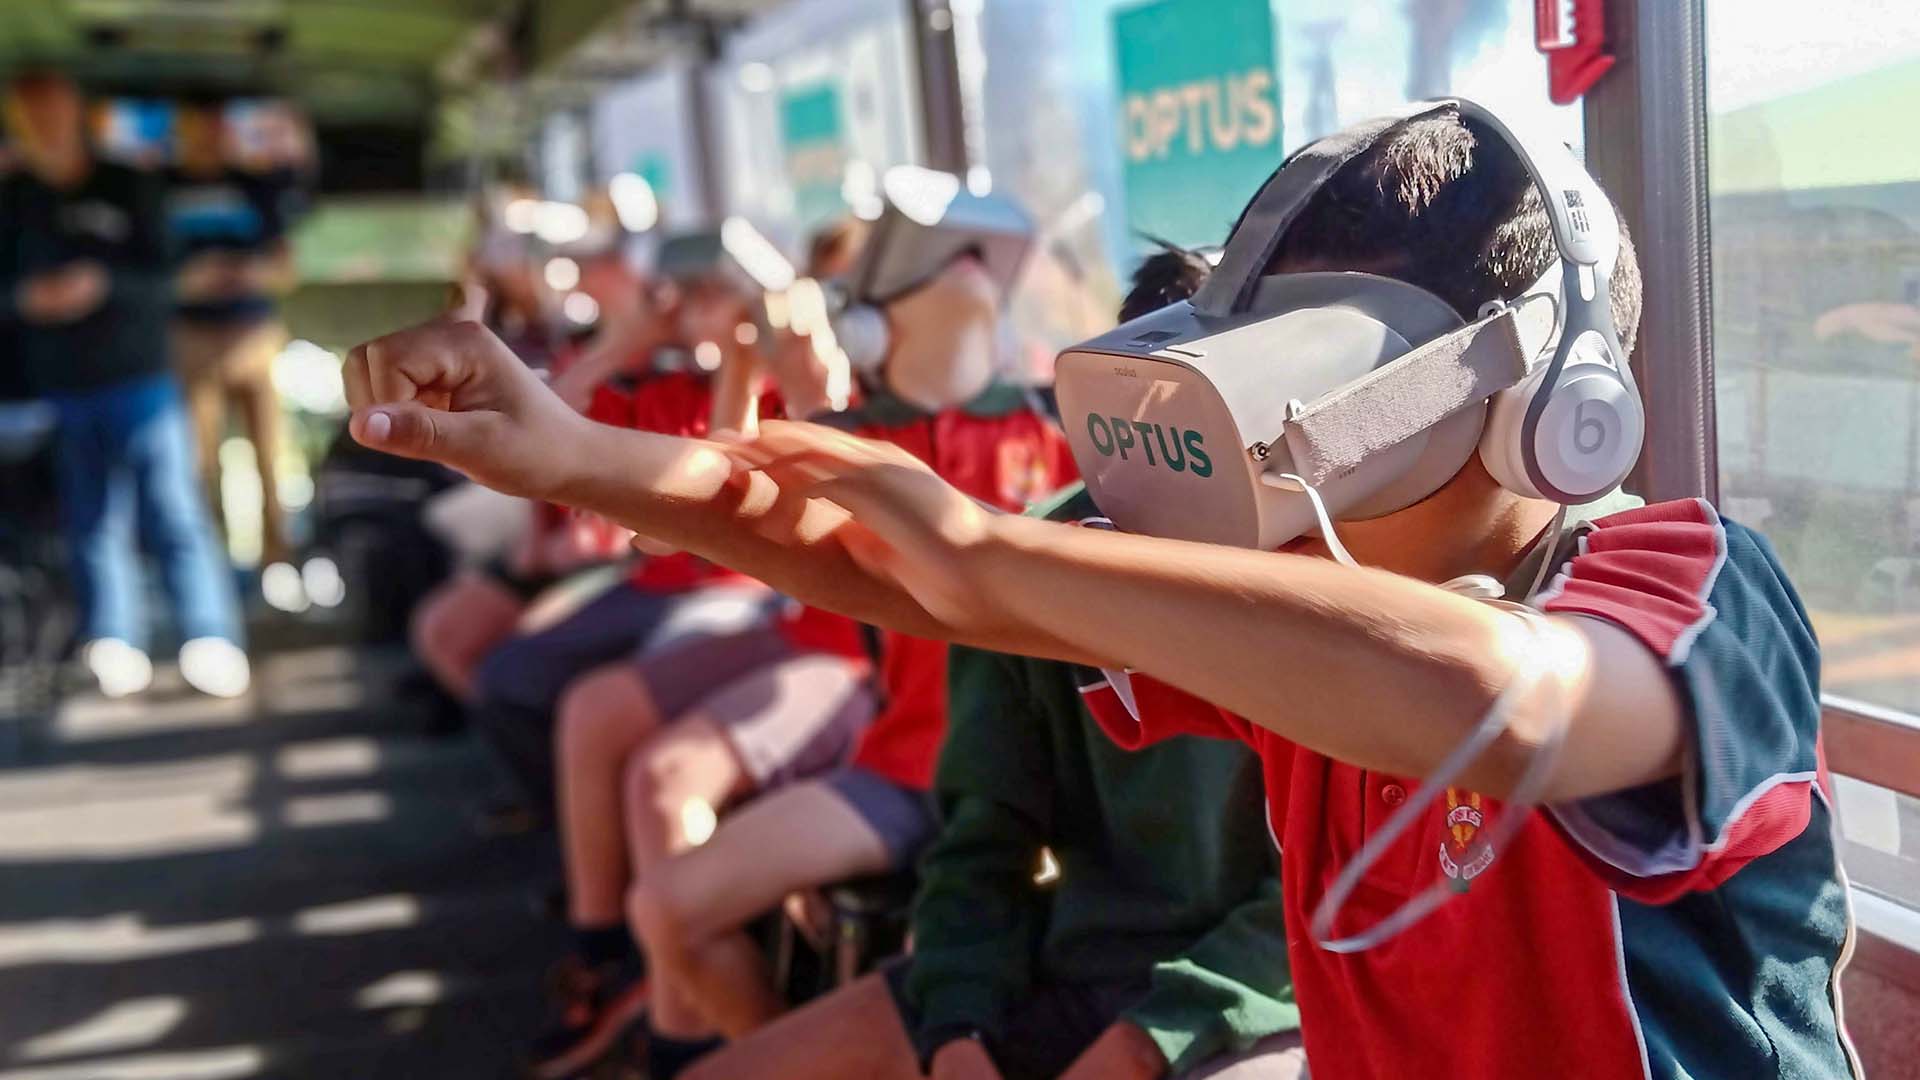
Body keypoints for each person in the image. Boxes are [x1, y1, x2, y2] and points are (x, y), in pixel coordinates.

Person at [340, 103, 1855, 1079]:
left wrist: (995, 555)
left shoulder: (1695, 580)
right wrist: (578, 455)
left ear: (1556, 405)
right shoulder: (1294, 597)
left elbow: (1497, 707)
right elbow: (910, 572)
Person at [677, 247, 1303, 1080]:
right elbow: (984, 840)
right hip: (1064, 966)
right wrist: (958, 1028)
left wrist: (1146, 1043)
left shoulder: (1317, 569)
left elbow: (1321, 902)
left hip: (1256, 999)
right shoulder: (1029, 555)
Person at [532, 244, 1077, 1080]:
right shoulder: (863, 430)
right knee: (667, 906)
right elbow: (699, 519)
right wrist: (759, 373)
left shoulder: (1045, 427)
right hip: (911, 765)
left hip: (1027, 786)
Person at [0, 70, 247, 699]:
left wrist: (103, 284)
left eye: (52, 111)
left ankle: (211, 633)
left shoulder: (128, 184)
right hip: (59, 383)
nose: (44, 127)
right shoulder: (15, 198)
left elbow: (169, 276)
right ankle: (113, 636)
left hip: (140, 375)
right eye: (31, 115)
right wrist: (27, 297)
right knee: (90, 517)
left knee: (173, 505)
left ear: (75, 113)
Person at [167, 98, 309, 568]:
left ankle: (278, 560)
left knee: (272, 457)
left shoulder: (257, 186)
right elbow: (146, 270)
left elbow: (285, 266)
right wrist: (191, 279)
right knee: (200, 462)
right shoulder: (162, 188)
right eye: (199, 128)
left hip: (253, 335)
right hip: (192, 338)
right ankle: (210, 569)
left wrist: (249, 273)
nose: (209, 138)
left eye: (217, 127)